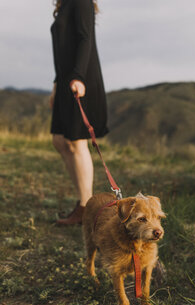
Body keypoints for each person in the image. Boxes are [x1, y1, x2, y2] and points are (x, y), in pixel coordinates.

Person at [49, 0, 108, 225]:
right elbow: (61, 50)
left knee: (76, 143)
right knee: (59, 141)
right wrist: (56, 84)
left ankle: (86, 207)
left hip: (81, 80)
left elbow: (86, 40)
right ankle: (83, 202)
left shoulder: (81, 1)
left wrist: (78, 77)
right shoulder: (64, 5)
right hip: (65, 81)